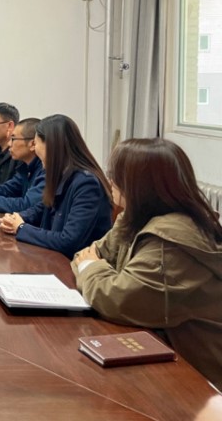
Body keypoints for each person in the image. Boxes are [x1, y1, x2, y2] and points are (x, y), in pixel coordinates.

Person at [72, 138, 222, 390]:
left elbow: (117, 299)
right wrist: (93, 265)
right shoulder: (136, 218)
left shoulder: (170, 239)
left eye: (116, 174)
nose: (110, 180)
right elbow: (85, 255)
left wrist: (91, 267)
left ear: (139, 184)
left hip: (198, 376)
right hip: (162, 348)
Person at [0, 114, 112, 258]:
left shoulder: (86, 183)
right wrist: (16, 219)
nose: (35, 149)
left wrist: (21, 227)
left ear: (51, 146)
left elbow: (68, 241)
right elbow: (41, 209)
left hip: (75, 264)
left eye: (36, 143)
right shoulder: (61, 175)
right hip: (53, 258)